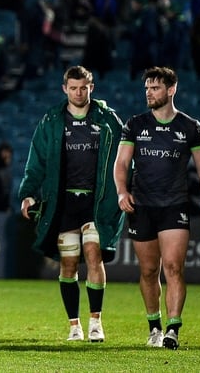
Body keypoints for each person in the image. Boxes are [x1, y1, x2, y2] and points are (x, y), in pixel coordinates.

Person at [113, 66, 200, 350]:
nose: (149, 93)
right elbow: (122, 163)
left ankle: (173, 329)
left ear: (171, 90)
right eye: (147, 88)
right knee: (149, 270)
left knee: (173, 267)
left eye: (155, 88)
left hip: (175, 205)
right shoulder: (135, 124)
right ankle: (154, 326)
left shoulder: (190, 127)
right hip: (142, 205)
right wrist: (122, 191)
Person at [19, 65, 126, 342]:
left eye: (84, 87)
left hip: (97, 202)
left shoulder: (108, 120)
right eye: (74, 88)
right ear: (65, 89)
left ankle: (96, 323)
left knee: (93, 255)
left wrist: (125, 190)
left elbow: (125, 159)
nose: (79, 93)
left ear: (92, 88)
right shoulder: (52, 120)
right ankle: (74, 325)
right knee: (68, 265)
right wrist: (29, 193)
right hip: (63, 202)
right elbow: (37, 160)